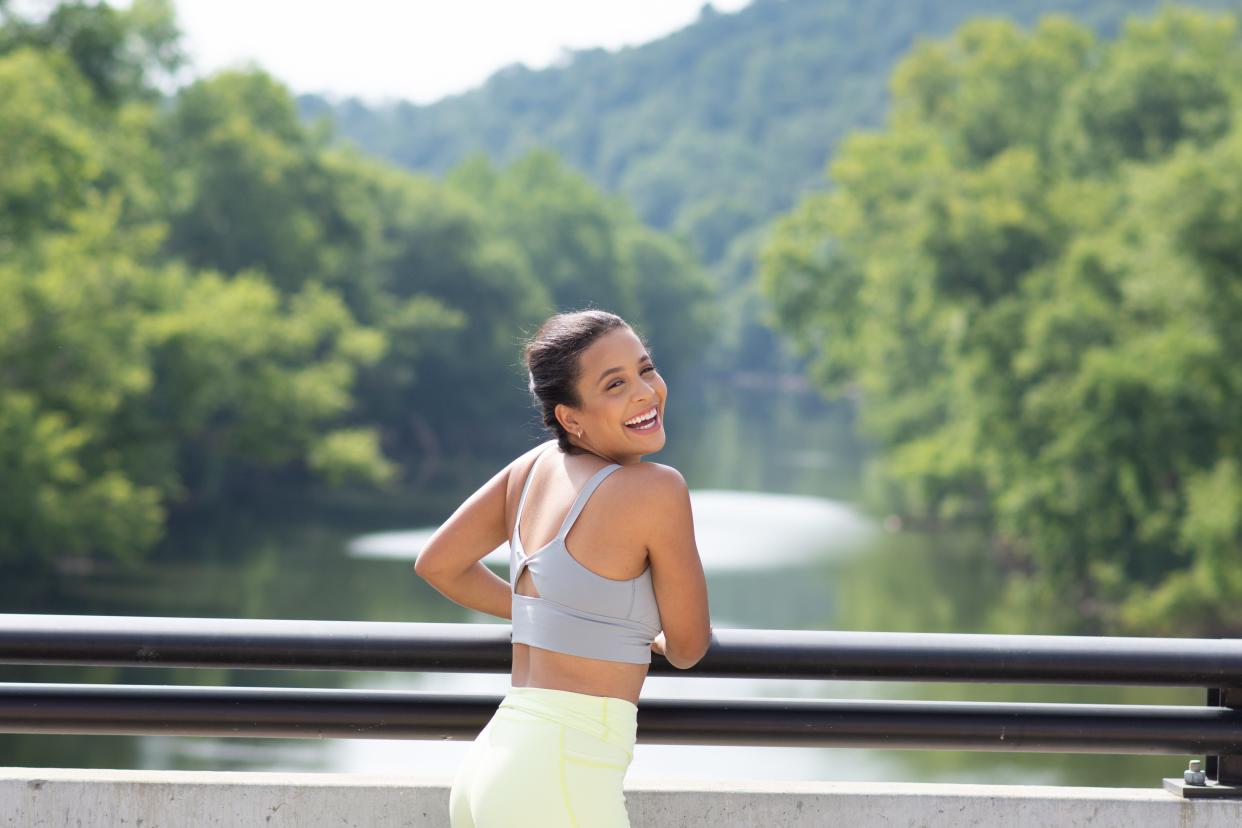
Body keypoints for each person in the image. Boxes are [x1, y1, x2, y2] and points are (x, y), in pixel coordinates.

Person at [414, 308, 713, 828]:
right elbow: (688, 647)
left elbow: (438, 564)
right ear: (570, 417)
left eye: (646, 369)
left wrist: (553, 615)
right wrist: (637, 633)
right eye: (614, 384)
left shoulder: (531, 469)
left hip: (496, 761)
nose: (645, 392)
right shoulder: (656, 489)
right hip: (560, 774)